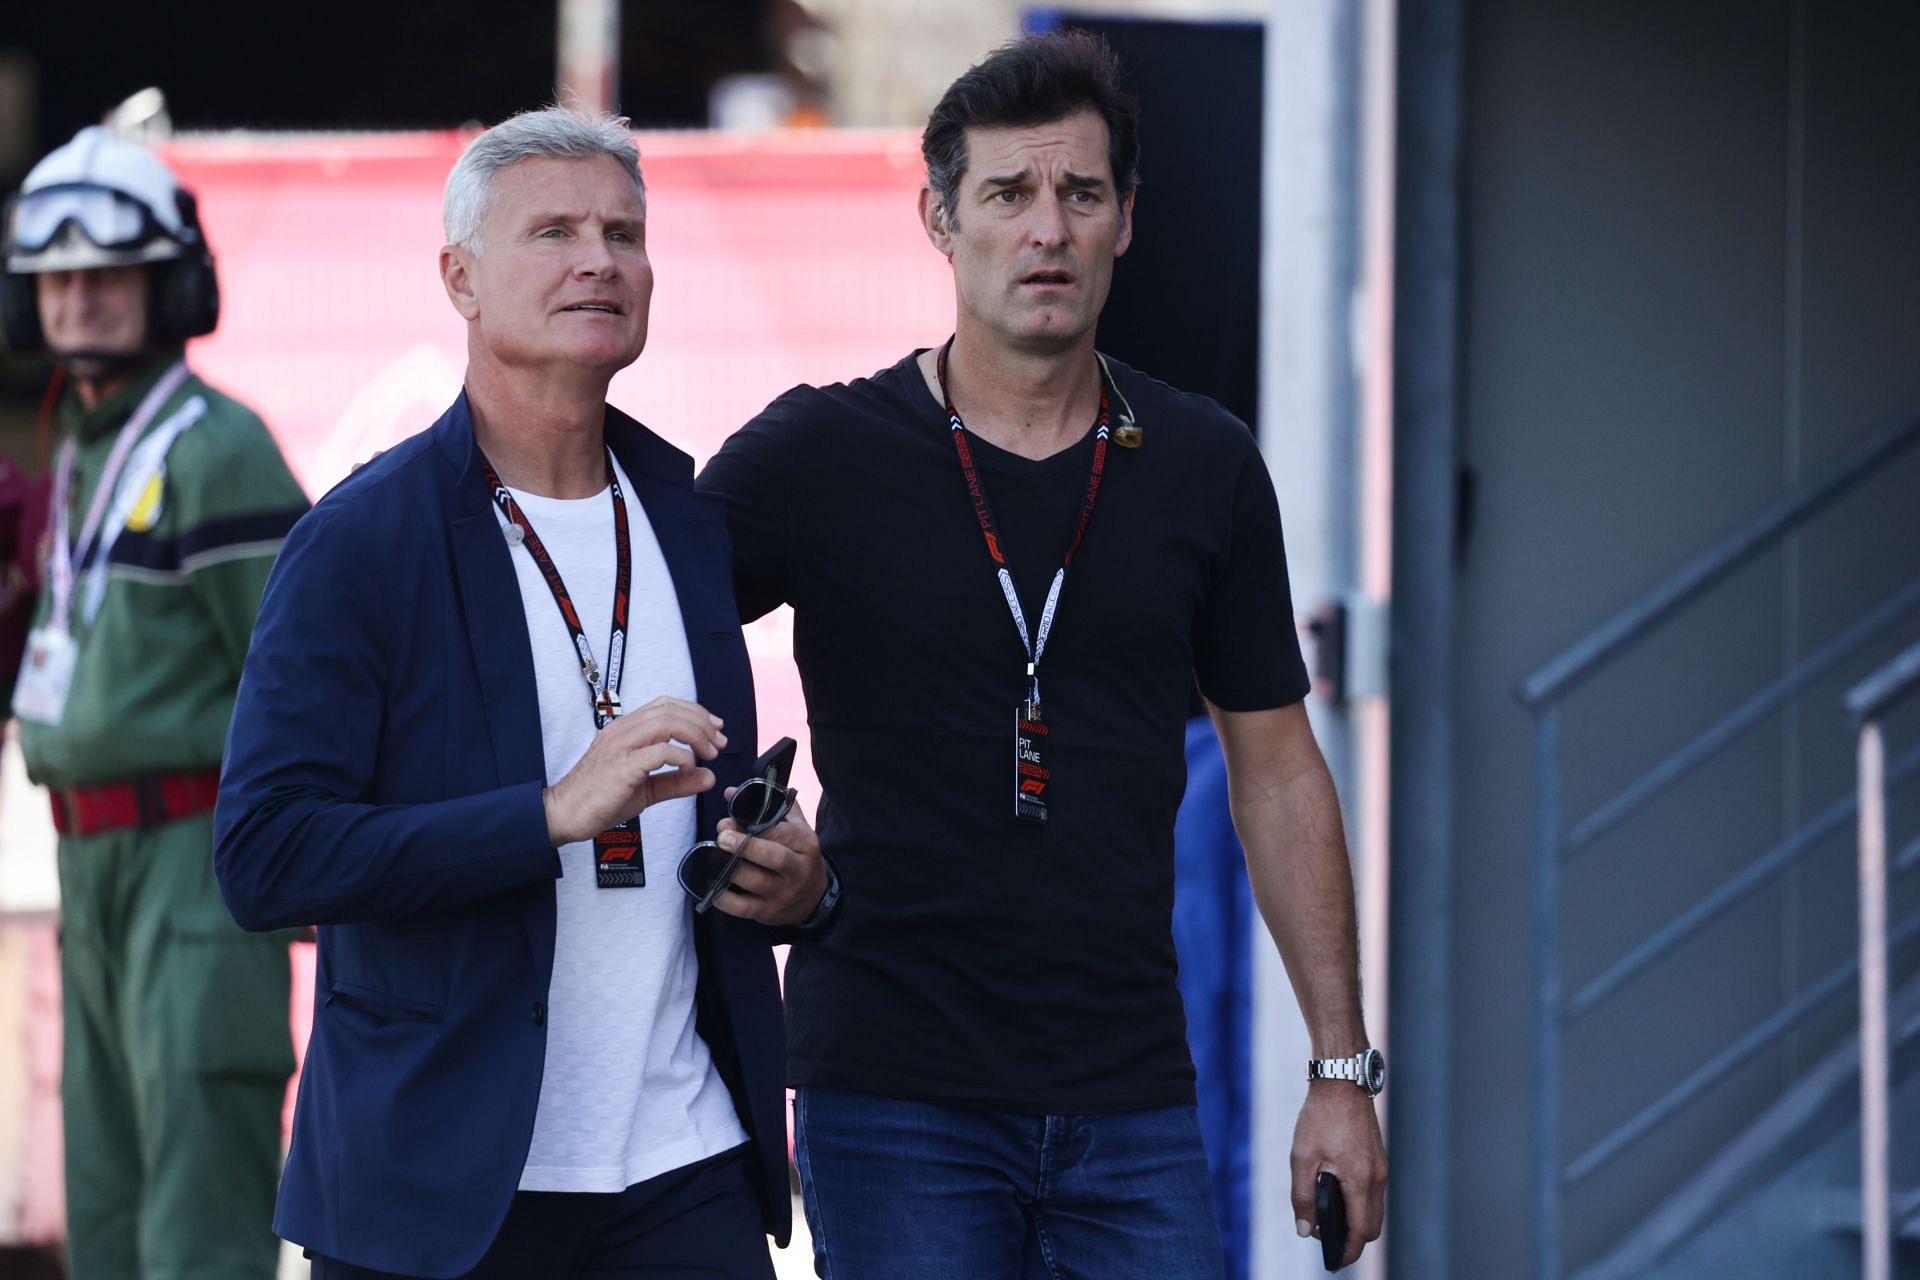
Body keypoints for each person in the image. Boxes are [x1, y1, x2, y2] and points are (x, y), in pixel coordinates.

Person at [699, 32, 1388, 1277]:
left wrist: (1340, 1072)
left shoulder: (1204, 464)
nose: (1047, 230)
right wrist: (743, 817)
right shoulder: (820, 455)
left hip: (1132, 1100)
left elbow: (1279, 770)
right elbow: (633, 622)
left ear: (1127, 219)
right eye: (1008, 194)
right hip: (893, 1092)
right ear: (939, 218)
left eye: (1080, 194)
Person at [213, 108, 830, 1279]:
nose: (600, 258)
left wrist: (794, 882)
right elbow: (265, 854)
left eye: (625, 232)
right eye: (553, 231)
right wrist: (547, 814)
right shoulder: (362, 541)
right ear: (461, 277)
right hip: (443, 1182)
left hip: (684, 1162)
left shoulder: (687, 520)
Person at [1, 125, 309, 1280]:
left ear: (167, 284)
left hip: (195, 872)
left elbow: (301, 688)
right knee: (111, 1219)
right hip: (90, 865)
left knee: (199, 1229)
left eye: (108, 275)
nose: (79, 301)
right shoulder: (80, 446)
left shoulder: (218, 448)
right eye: (58, 279)